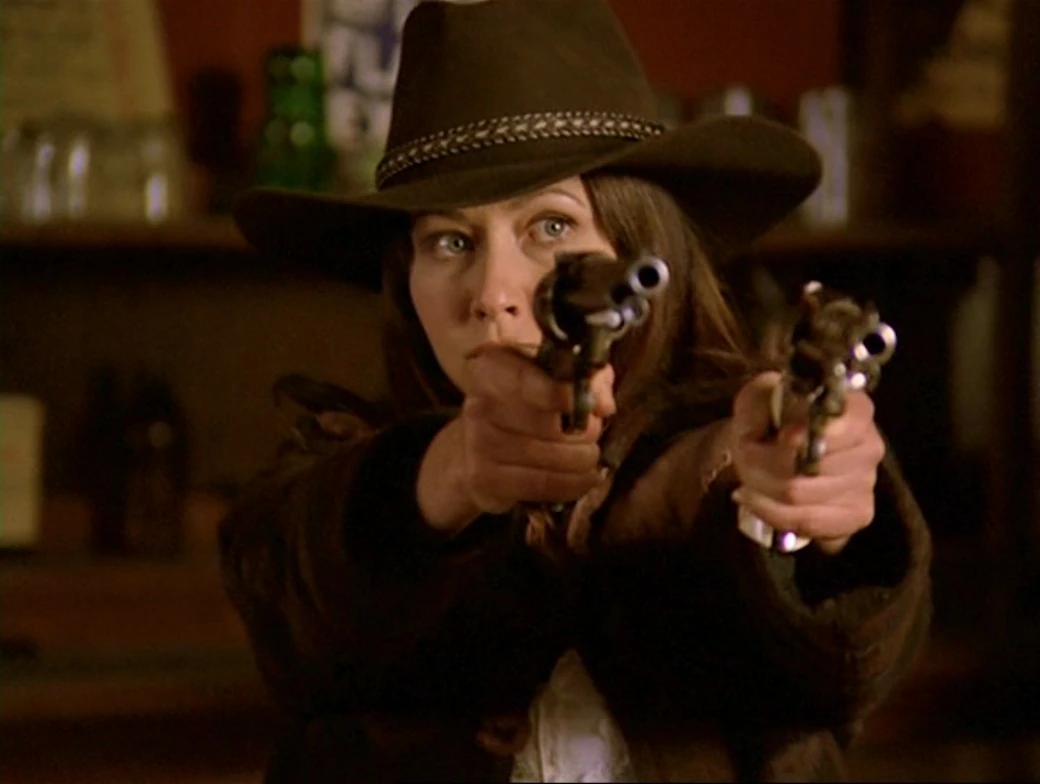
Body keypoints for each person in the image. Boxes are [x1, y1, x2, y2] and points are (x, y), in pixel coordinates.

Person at [222, 0, 932, 781]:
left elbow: (840, 664)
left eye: (551, 228)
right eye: (450, 242)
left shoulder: (727, 443)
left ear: (642, 246)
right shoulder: (345, 476)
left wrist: (823, 516)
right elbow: (289, 602)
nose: (493, 292)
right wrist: (447, 477)